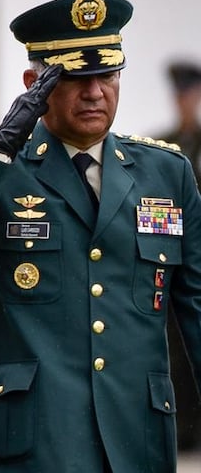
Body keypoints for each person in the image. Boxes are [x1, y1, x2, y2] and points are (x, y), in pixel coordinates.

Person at [0, 0, 201, 472]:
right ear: (34, 85)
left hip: (137, 443)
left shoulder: (166, 174)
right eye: (74, 78)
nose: (94, 92)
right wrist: (4, 144)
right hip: (31, 445)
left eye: (106, 75)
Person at [154, 59, 201, 451]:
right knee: (174, 348)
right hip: (173, 264)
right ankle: (183, 427)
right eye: (180, 95)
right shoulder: (162, 148)